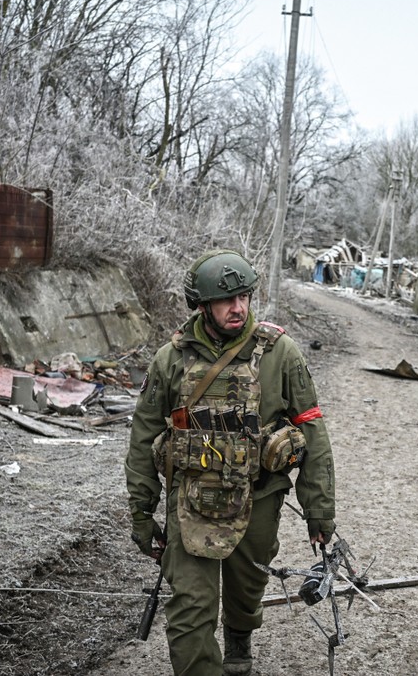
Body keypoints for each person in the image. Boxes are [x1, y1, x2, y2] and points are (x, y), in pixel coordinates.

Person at [125, 249, 336, 675]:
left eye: (244, 297)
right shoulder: (171, 359)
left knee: (246, 589)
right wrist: (141, 512)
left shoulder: (282, 353)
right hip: (190, 500)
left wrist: (319, 512)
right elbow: (144, 435)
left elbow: (313, 432)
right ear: (202, 305)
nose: (238, 307)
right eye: (226, 300)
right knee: (190, 610)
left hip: (258, 497)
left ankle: (240, 639)